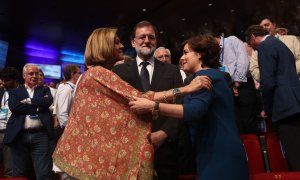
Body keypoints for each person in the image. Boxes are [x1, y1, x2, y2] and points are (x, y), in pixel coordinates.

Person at [52, 28, 211, 179]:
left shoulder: (94, 73)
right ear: (103, 45)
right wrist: (186, 89)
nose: (121, 46)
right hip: (82, 162)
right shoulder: (98, 73)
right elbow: (141, 99)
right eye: (116, 42)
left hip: (79, 159)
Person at [129, 35, 249, 180]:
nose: (182, 58)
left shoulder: (206, 77)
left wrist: (153, 106)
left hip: (219, 152)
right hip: (211, 150)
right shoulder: (196, 80)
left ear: (200, 54)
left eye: (186, 52)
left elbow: (195, 110)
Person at [112, 21, 194, 179]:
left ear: (156, 41)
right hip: (129, 150)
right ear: (133, 42)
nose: (147, 40)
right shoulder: (118, 71)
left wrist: (164, 133)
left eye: (151, 37)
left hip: (165, 149)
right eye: (142, 37)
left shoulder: (173, 71)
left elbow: (180, 104)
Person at [245, 25, 300, 171]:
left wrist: (267, 107)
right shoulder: (279, 44)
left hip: (283, 105)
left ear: (253, 37)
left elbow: (268, 81)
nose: (253, 49)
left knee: (294, 153)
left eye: (251, 45)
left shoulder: (264, 46)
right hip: (295, 101)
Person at [3, 64, 54, 179]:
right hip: (19, 135)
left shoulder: (45, 89)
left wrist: (28, 101)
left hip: (41, 136)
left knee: (44, 173)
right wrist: (37, 107)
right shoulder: (15, 92)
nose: (35, 76)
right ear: (24, 76)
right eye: (31, 73)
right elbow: (14, 107)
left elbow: (47, 102)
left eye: (36, 73)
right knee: (19, 173)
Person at [250, 16, 300, 81]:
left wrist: (287, 73)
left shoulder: (291, 39)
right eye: (261, 27)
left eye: (267, 25)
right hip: (274, 87)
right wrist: (270, 77)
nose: (264, 28)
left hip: (295, 82)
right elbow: (254, 69)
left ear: (274, 25)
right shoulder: (258, 48)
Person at [0, 67, 19, 177]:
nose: (3, 83)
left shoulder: (22, 93)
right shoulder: (1, 91)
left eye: (6, 80)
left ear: (15, 80)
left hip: (12, 134)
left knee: (10, 170)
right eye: (2, 80)